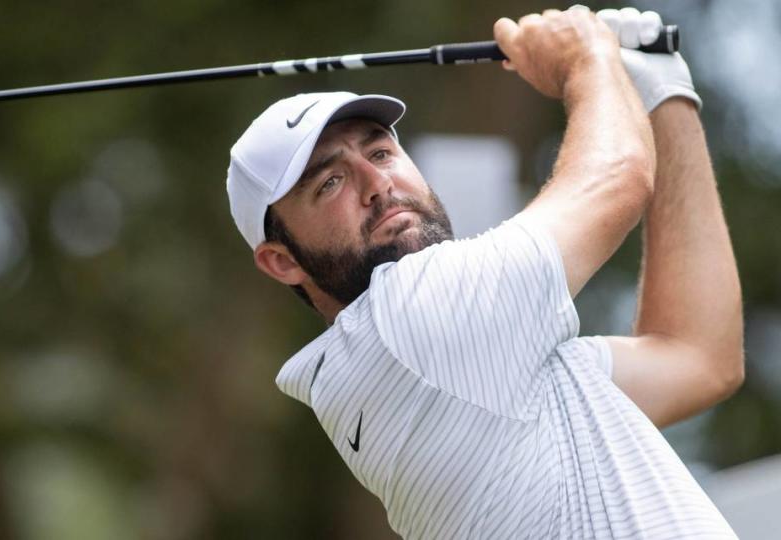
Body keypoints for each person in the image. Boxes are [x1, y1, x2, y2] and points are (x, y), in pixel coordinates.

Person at [225, 6, 743, 539]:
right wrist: (586, 55)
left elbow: (699, 357)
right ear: (281, 261)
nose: (375, 182)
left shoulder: (481, 363)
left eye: (380, 150)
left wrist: (663, 94)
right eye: (328, 183)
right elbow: (617, 177)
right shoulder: (409, 324)